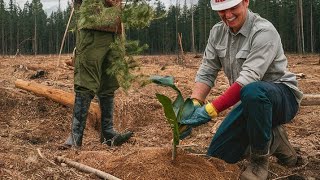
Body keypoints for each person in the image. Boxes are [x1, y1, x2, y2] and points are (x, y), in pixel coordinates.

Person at [180, 0, 303, 179]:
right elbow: (207, 70)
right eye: (222, 10)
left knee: (253, 92)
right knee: (218, 155)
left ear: (246, 2)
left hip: (281, 98)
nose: (228, 15)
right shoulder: (217, 32)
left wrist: (208, 111)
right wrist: (194, 103)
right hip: (249, 102)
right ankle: (275, 137)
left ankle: (259, 160)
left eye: (233, 8)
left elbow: (248, 80)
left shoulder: (263, 31)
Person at [62, 0, 132, 149]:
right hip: (92, 27)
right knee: (85, 82)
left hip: (114, 30)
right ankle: (75, 137)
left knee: (109, 83)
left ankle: (108, 134)